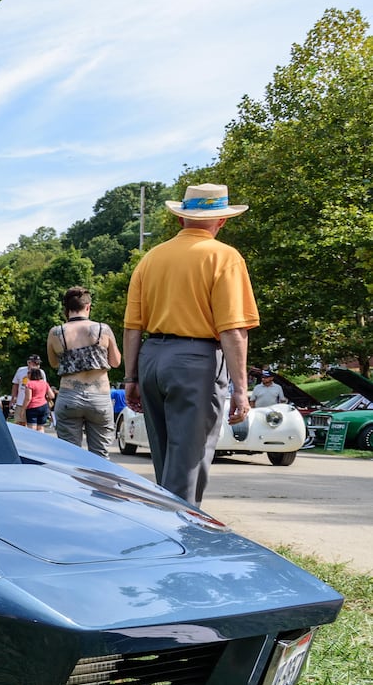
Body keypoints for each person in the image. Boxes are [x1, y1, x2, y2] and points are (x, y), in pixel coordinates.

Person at [123, 183, 258, 505]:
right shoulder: (224, 257)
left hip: (151, 358)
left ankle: (166, 525)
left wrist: (130, 378)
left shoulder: (151, 258)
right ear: (222, 221)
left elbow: (131, 327)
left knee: (165, 458)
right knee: (189, 462)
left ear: (181, 218)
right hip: (195, 360)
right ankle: (181, 537)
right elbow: (232, 329)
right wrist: (241, 388)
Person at [47, 286, 122, 457]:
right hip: (99, 397)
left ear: (66, 308)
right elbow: (116, 362)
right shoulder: (103, 329)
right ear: (88, 306)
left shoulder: (56, 332)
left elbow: (53, 363)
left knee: (70, 457)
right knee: (100, 457)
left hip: (69, 396)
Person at [11, 354, 45, 419]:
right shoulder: (21, 370)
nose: (37, 365)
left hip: (35, 404)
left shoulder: (41, 372)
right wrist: (13, 398)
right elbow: (15, 384)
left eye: (38, 363)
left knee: (33, 426)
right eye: (35, 363)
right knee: (20, 423)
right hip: (20, 402)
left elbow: (44, 387)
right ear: (28, 363)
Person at [23, 366, 53, 431]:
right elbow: (51, 396)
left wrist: (23, 409)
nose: (27, 374)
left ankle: (32, 440)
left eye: (29, 372)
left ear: (32, 374)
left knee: (32, 428)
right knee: (41, 427)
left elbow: (28, 398)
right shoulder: (44, 383)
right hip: (43, 406)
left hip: (32, 407)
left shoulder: (29, 384)